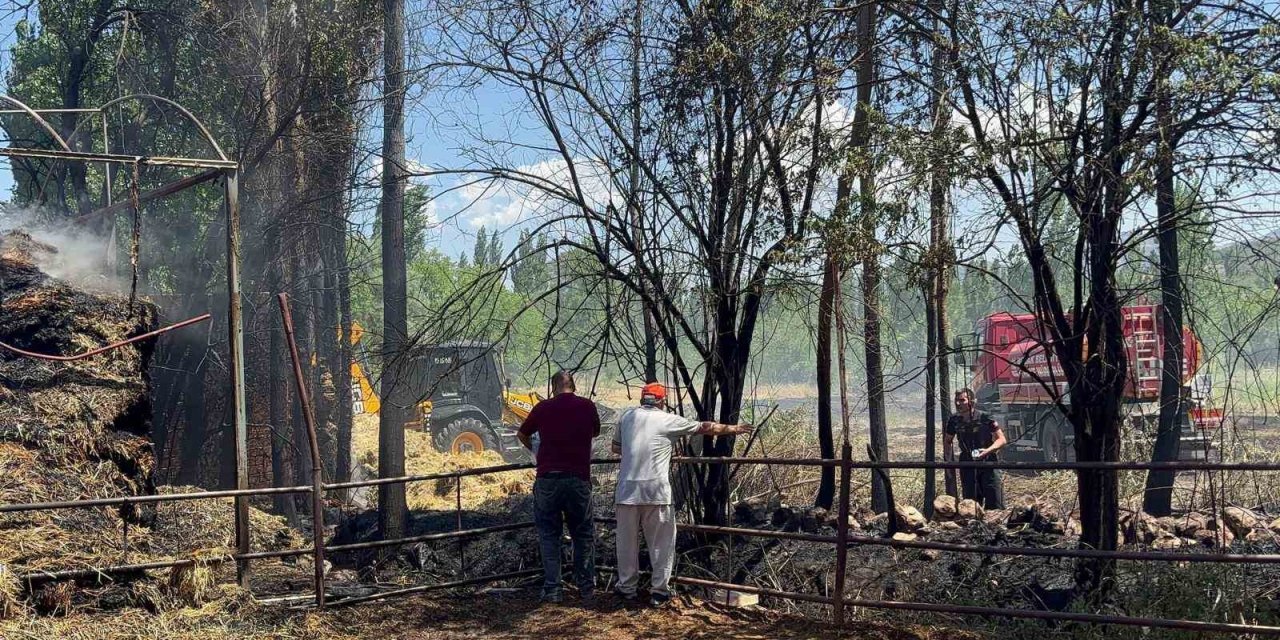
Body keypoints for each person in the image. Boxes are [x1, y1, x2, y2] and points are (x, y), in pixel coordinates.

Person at [611, 381, 753, 607]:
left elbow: (616, 448)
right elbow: (705, 427)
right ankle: (659, 591)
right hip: (656, 491)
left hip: (627, 490)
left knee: (626, 544)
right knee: (661, 543)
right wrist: (732, 428)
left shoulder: (627, 417)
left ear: (642, 398)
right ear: (662, 401)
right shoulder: (668, 420)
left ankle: (627, 587)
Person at [517, 370, 601, 604]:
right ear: (572, 385)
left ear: (553, 387)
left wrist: (537, 452)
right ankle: (586, 588)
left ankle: (553, 589)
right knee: (583, 534)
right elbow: (595, 431)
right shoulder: (587, 406)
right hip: (578, 478)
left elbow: (522, 433)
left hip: (548, 479)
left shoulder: (542, 408)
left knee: (549, 535)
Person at [943, 388, 1007, 509]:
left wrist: (987, 451)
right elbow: (947, 441)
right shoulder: (954, 420)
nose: (958, 404)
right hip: (967, 462)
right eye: (956, 400)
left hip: (988, 461)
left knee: (995, 503)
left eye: (962, 400)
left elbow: (1002, 440)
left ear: (972, 401)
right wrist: (948, 463)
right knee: (970, 504)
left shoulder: (984, 417)